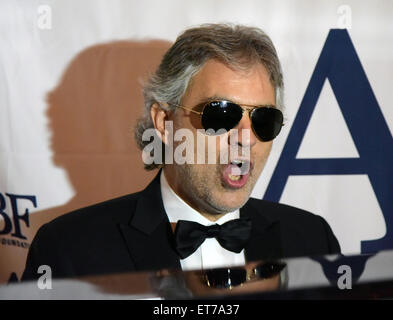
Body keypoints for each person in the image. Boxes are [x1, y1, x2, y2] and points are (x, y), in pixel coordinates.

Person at [22, 24, 340, 281]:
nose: (246, 139)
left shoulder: (312, 240)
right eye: (220, 115)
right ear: (164, 122)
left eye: (264, 120)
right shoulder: (70, 250)